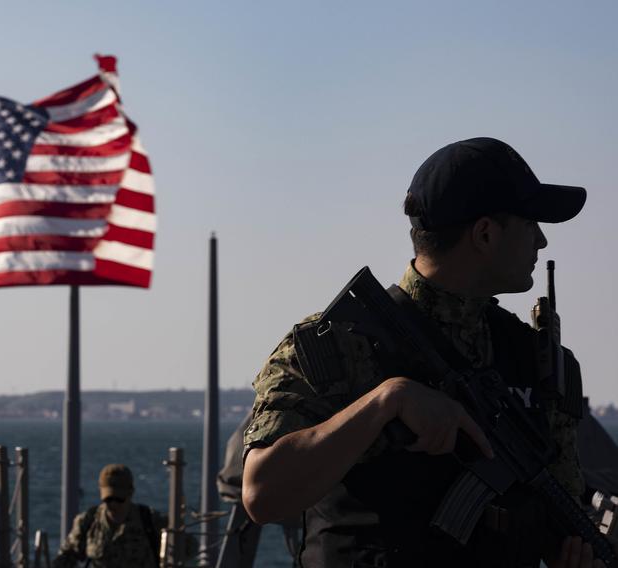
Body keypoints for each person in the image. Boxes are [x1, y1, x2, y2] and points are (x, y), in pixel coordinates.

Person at [242, 137, 601, 567]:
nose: (542, 241)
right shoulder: (341, 341)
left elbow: (564, 501)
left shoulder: (539, 362)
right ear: (485, 233)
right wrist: (387, 401)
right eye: (530, 224)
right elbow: (262, 494)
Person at [52, 464, 167, 568]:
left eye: (119, 499)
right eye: (108, 499)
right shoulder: (88, 521)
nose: (113, 504)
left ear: (131, 492)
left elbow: (178, 552)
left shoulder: (150, 521)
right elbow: (66, 557)